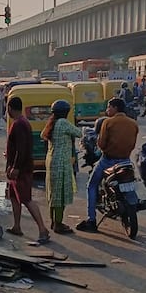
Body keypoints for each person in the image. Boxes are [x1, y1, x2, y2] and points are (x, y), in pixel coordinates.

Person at [77, 98, 139, 232]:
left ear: (115, 108)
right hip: (126, 160)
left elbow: (101, 144)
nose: (107, 110)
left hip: (108, 161)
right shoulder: (133, 123)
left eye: (109, 107)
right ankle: (134, 202)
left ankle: (91, 220)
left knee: (91, 185)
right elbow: (133, 143)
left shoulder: (108, 122)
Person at [5, 96, 50, 243]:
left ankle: (43, 230)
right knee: (13, 197)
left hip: (21, 169)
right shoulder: (21, 123)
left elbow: (22, 149)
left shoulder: (19, 124)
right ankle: (17, 226)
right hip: (15, 167)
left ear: (10, 108)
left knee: (26, 199)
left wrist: (16, 167)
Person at [41, 99, 82, 234]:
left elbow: (43, 135)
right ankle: (58, 224)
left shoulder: (52, 123)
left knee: (54, 194)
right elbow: (79, 133)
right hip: (61, 162)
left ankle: (54, 222)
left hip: (51, 160)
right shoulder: (63, 123)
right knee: (61, 195)